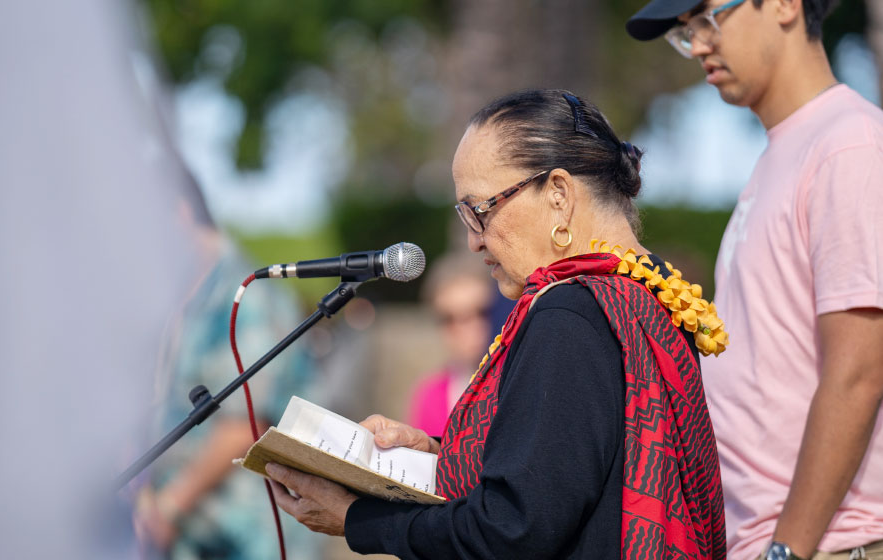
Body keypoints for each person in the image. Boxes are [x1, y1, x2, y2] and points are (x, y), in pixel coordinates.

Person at [261, 89, 728, 559]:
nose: (473, 240)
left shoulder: (569, 314)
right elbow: (571, 473)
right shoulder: (648, 295)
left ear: (559, 194)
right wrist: (439, 455)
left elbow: (512, 530)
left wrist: (358, 519)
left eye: (479, 210)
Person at [626, 2, 883, 559]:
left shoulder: (850, 145)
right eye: (685, 32)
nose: (697, 45)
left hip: (829, 546)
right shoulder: (786, 152)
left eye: (708, 19)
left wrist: (786, 550)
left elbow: (859, 373)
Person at [136, 200, 323, 560]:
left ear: (181, 210)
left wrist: (168, 507)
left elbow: (245, 423)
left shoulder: (247, 294)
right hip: (192, 531)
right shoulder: (183, 288)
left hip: (248, 538)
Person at [407, 253, 495, 438]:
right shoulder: (430, 396)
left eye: (480, 313)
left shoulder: (519, 378)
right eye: (451, 319)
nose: (468, 329)